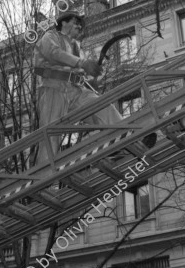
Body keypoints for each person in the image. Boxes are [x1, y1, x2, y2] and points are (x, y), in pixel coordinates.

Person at [33, 10, 155, 165]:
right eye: (76, 22)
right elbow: (53, 53)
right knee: (51, 134)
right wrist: (82, 63)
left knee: (101, 105)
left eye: (81, 24)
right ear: (63, 22)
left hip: (76, 90)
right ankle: (44, 173)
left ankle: (124, 139)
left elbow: (83, 72)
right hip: (53, 88)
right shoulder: (50, 36)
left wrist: (92, 79)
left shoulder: (77, 47)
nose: (79, 26)